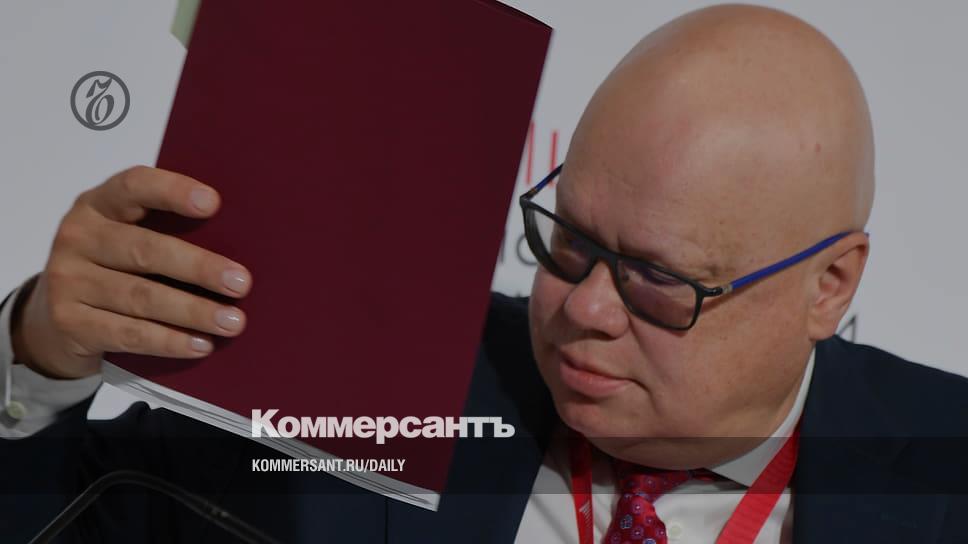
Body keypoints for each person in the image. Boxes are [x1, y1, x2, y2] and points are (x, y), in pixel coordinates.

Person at [3, 4, 967, 543]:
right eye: (570, 240)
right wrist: (41, 357)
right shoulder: (386, 373)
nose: (584, 307)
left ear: (830, 286)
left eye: (657, 279)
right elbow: (71, 514)